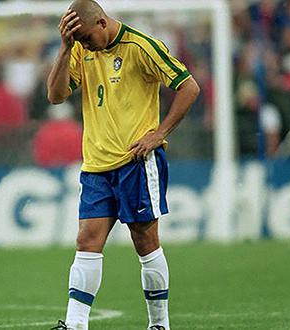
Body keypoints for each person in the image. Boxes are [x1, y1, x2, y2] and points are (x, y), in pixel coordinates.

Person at [47, 1, 200, 329]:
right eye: (80, 41)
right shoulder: (80, 49)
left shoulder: (141, 47)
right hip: (96, 165)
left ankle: (159, 324)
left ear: (102, 23)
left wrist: (159, 133)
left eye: (88, 37)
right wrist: (64, 49)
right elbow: (56, 95)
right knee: (87, 240)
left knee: (144, 240)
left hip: (136, 162)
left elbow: (189, 87)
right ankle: (75, 324)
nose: (86, 45)